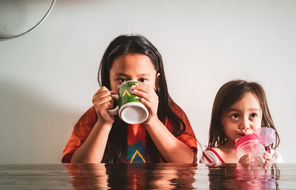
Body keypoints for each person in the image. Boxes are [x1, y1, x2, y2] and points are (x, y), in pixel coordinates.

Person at [62, 35, 197, 164]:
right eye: (122, 80)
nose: (132, 89)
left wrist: (152, 121)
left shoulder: (170, 113)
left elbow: (188, 163)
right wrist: (104, 123)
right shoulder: (96, 115)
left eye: (142, 80)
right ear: (108, 80)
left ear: (157, 81)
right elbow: (78, 169)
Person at [200, 80, 282, 166]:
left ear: (262, 117)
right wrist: (239, 171)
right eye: (235, 116)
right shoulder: (212, 158)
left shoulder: (273, 156)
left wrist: (273, 171)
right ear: (221, 119)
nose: (245, 125)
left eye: (253, 115)